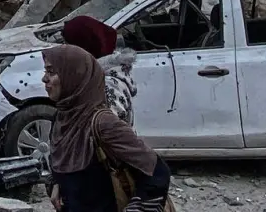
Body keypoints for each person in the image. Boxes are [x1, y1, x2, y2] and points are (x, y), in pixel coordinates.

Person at [43, 44, 173, 212]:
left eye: (51, 72)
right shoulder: (62, 118)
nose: (44, 79)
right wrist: (56, 183)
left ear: (73, 75)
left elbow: (158, 172)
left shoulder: (103, 123)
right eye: (45, 71)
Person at [62, 15, 137, 124]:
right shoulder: (93, 77)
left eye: (68, 45)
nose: (64, 50)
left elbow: (111, 134)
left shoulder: (107, 86)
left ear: (83, 48)